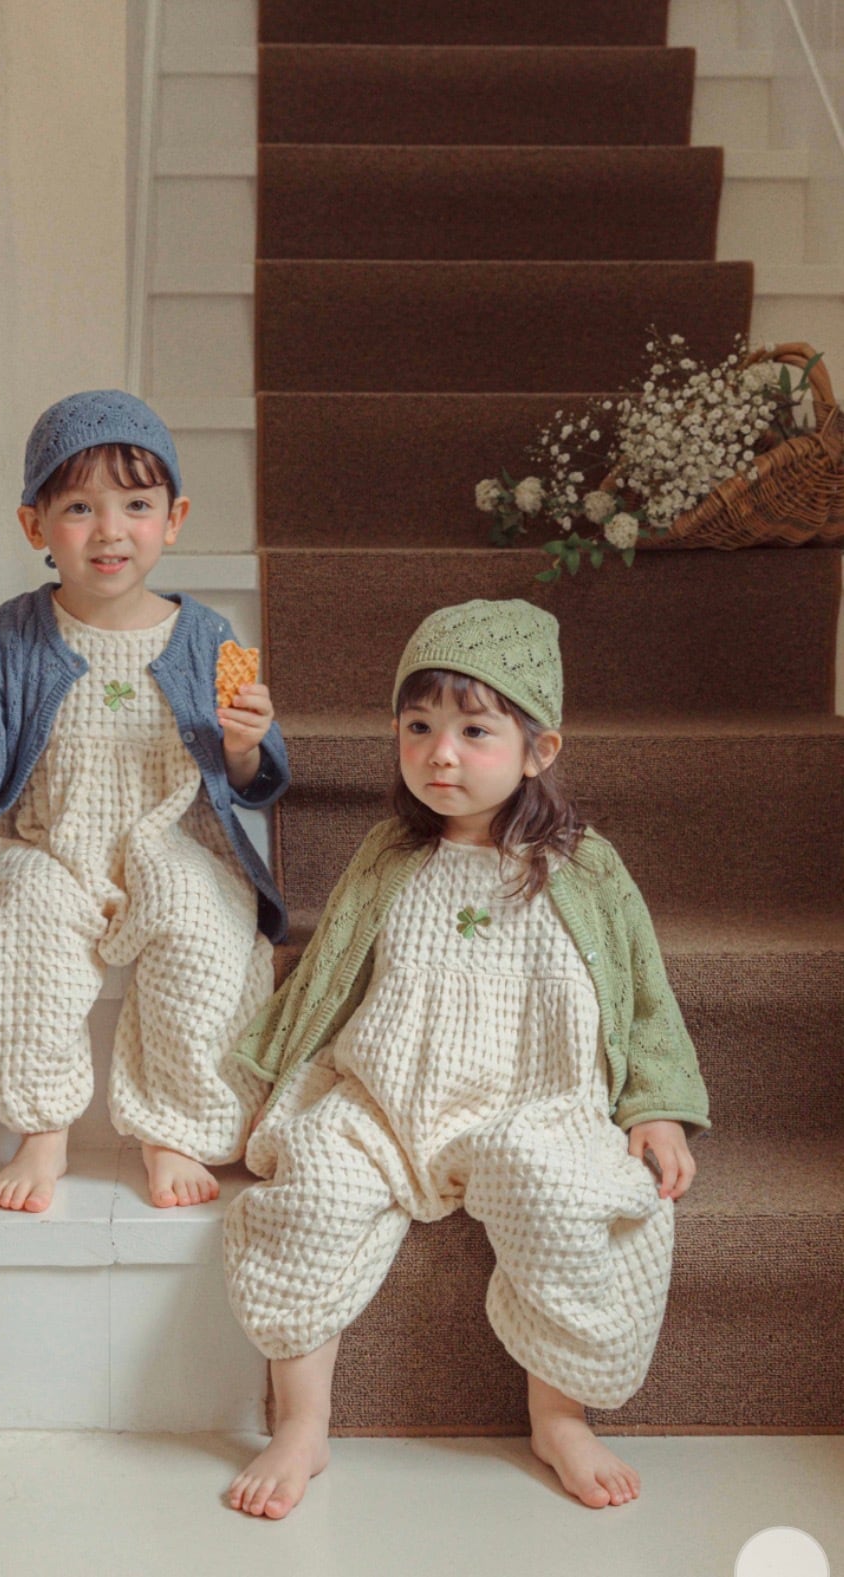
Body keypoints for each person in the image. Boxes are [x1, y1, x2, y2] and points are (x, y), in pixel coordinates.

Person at [222, 598, 709, 1518]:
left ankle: (558, 1414)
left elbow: (644, 995)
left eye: (474, 731)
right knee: (311, 1186)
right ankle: (302, 1422)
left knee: (561, 1193)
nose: (440, 753)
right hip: (386, 1097)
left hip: (532, 1103)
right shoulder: (389, 853)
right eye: (419, 727)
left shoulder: (585, 866)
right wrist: (281, 1078)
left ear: (538, 749)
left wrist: (655, 1104)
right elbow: (328, 977)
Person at [0, 390, 289, 1213]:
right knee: (28, 921)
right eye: (79, 508)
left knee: (203, 925)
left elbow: (249, 777)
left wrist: (246, 741)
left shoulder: (206, 635)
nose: (110, 530)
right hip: (43, 841)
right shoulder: (6, 637)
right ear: (35, 525)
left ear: (173, 519)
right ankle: (42, 1128)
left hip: (169, 840)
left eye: (136, 505)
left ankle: (174, 1125)